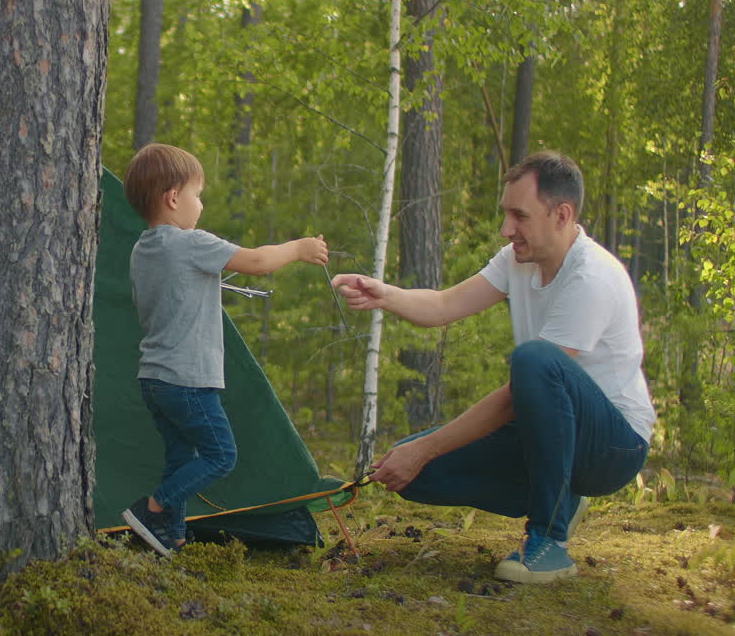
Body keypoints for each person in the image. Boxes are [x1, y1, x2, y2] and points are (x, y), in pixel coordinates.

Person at [332, 150, 654, 583]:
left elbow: (517, 395)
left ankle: (550, 542)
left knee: (535, 360)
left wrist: (425, 448)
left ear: (561, 214)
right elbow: (445, 304)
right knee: (414, 477)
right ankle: (560, 496)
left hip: (613, 447)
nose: (507, 230)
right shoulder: (517, 261)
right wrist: (384, 295)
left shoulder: (591, 278)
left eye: (519, 216)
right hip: (549, 432)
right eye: (506, 215)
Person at [120, 143, 329, 556]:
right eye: (198, 194)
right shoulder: (190, 243)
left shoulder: (143, 249)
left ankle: (172, 538)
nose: (201, 204)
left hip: (154, 379)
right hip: (188, 380)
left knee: (181, 458)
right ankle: (153, 509)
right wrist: (299, 249)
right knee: (221, 454)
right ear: (173, 198)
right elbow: (256, 261)